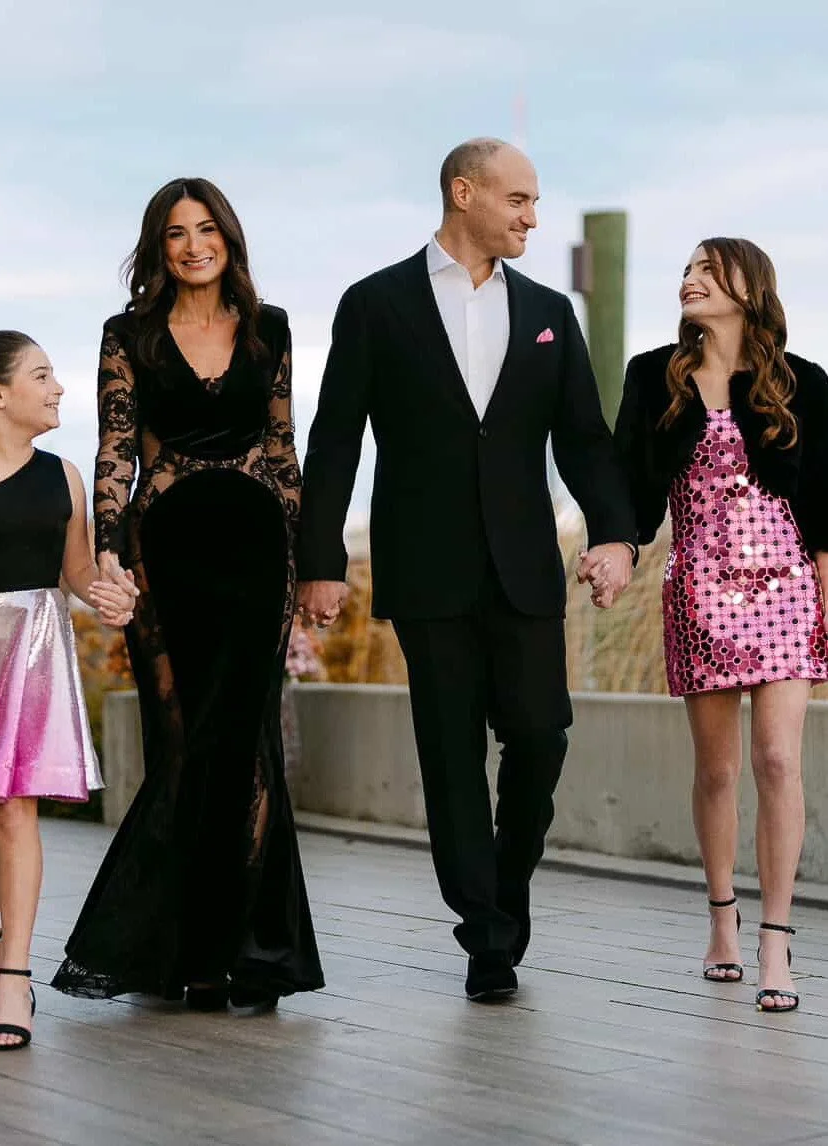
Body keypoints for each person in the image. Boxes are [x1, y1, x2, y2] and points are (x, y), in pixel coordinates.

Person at [296, 139, 637, 1001]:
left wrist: (615, 536)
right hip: (426, 566)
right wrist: (321, 561)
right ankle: (484, 936)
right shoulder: (375, 304)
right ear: (463, 192)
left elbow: (584, 441)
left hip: (525, 565)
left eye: (534, 202)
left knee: (540, 734)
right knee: (450, 755)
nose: (531, 217)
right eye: (518, 199)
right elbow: (335, 440)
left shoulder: (548, 311)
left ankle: (503, 893)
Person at [52, 178, 324, 1010]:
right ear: (158, 247)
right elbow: (115, 450)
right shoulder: (128, 333)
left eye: (207, 230)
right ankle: (185, 949)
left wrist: (312, 559)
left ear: (228, 240)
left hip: (258, 552)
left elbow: (282, 448)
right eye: (176, 233)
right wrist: (107, 555)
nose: (193, 245)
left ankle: (258, 954)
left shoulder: (270, 327)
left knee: (248, 744)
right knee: (182, 742)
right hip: (163, 552)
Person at [614, 237, 828, 1014]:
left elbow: (824, 498)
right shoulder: (652, 376)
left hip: (786, 588)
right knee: (716, 771)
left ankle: (775, 941)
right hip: (699, 589)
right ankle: (721, 921)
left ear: (748, 286)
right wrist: (617, 547)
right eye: (685, 270)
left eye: (707, 269)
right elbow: (628, 482)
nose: (690, 280)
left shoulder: (802, 381)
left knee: (776, 760)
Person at [0, 330, 136, 1051]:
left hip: (35, 654)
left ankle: (15, 975)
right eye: (42, 375)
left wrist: (109, 594)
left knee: (16, 810)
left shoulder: (64, 475)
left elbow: (76, 572)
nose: (58, 387)